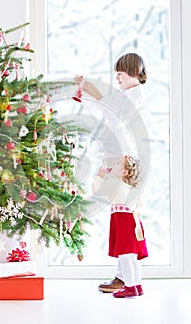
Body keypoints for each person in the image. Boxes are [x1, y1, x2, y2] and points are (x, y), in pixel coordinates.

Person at [75, 53, 149, 294]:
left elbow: (114, 115)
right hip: (125, 157)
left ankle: (126, 278)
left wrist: (88, 93)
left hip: (127, 159)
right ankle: (124, 276)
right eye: (116, 73)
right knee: (122, 216)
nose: (116, 77)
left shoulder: (135, 94)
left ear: (135, 72)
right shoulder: (129, 95)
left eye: (121, 73)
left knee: (123, 214)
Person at [92, 156, 148, 298]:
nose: (114, 164)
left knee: (125, 258)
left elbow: (96, 192)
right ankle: (137, 285)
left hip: (123, 223)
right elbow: (141, 204)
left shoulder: (115, 185)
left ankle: (129, 287)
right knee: (133, 258)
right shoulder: (133, 188)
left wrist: (99, 177)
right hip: (135, 222)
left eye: (118, 164)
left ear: (124, 172)